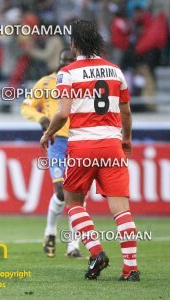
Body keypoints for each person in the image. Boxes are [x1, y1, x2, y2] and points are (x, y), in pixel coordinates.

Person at [40, 20, 139, 281]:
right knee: (121, 209)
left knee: (73, 202)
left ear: (74, 44)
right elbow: (126, 111)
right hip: (112, 146)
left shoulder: (68, 73)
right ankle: (131, 268)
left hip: (83, 146)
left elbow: (62, 113)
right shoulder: (115, 72)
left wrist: (48, 133)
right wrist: (126, 139)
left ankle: (96, 252)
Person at [21, 49, 82, 258]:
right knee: (61, 191)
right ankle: (50, 232)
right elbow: (27, 107)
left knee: (78, 194)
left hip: (79, 141)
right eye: (64, 61)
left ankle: (73, 246)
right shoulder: (46, 83)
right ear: (59, 61)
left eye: (71, 61)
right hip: (56, 142)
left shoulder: (82, 84)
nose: (67, 65)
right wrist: (41, 119)